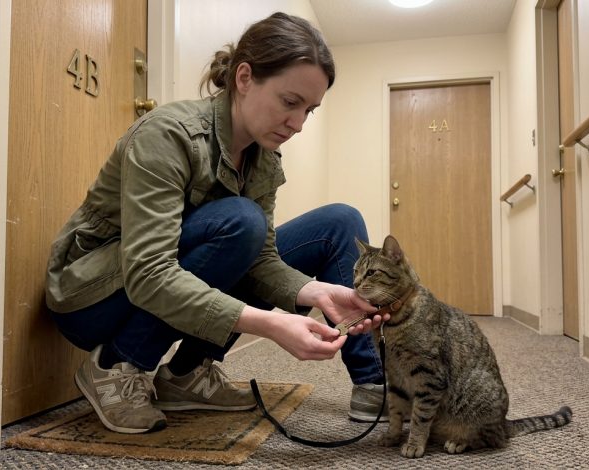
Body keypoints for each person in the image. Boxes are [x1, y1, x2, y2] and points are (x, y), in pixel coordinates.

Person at [45, 12, 388, 434]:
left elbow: (259, 260)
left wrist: (316, 291)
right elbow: (149, 273)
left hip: (152, 280)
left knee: (339, 221)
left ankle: (188, 374)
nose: (298, 124)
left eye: (309, 111)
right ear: (244, 77)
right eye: (289, 102)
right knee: (241, 221)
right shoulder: (167, 134)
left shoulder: (263, 157)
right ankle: (117, 365)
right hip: (92, 297)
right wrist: (269, 323)